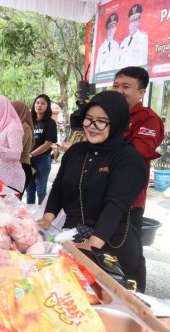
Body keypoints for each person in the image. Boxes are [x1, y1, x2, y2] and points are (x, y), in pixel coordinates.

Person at [38, 91, 147, 289]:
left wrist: (94, 242)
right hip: (72, 236)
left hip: (110, 244)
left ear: (117, 122)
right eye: (88, 119)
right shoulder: (75, 152)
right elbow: (58, 189)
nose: (92, 127)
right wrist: (47, 219)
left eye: (101, 121)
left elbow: (116, 205)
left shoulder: (128, 159)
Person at [112, 66, 165, 291]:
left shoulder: (148, 119)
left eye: (126, 87)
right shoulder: (109, 113)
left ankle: (139, 302)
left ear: (141, 92)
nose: (119, 91)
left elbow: (138, 151)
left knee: (129, 256)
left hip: (128, 200)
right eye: (116, 86)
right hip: (102, 195)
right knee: (104, 251)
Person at [26, 94, 57, 204]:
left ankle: (41, 216)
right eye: (37, 102)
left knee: (41, 189)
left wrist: (31, 154)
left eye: (43, 103)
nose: (39, 105)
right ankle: (28, 218)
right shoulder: (29, 122)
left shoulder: (50, 123)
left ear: (47, 107)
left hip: (42, 159)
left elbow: (48, 144)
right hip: (28, 160)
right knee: (29, 190)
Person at [11, 100, 34, 194]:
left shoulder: (24, 127)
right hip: (16, 167)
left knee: (13, 201)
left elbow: (15, 150)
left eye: (12, 110)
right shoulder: (16, 126)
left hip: (22, 167)